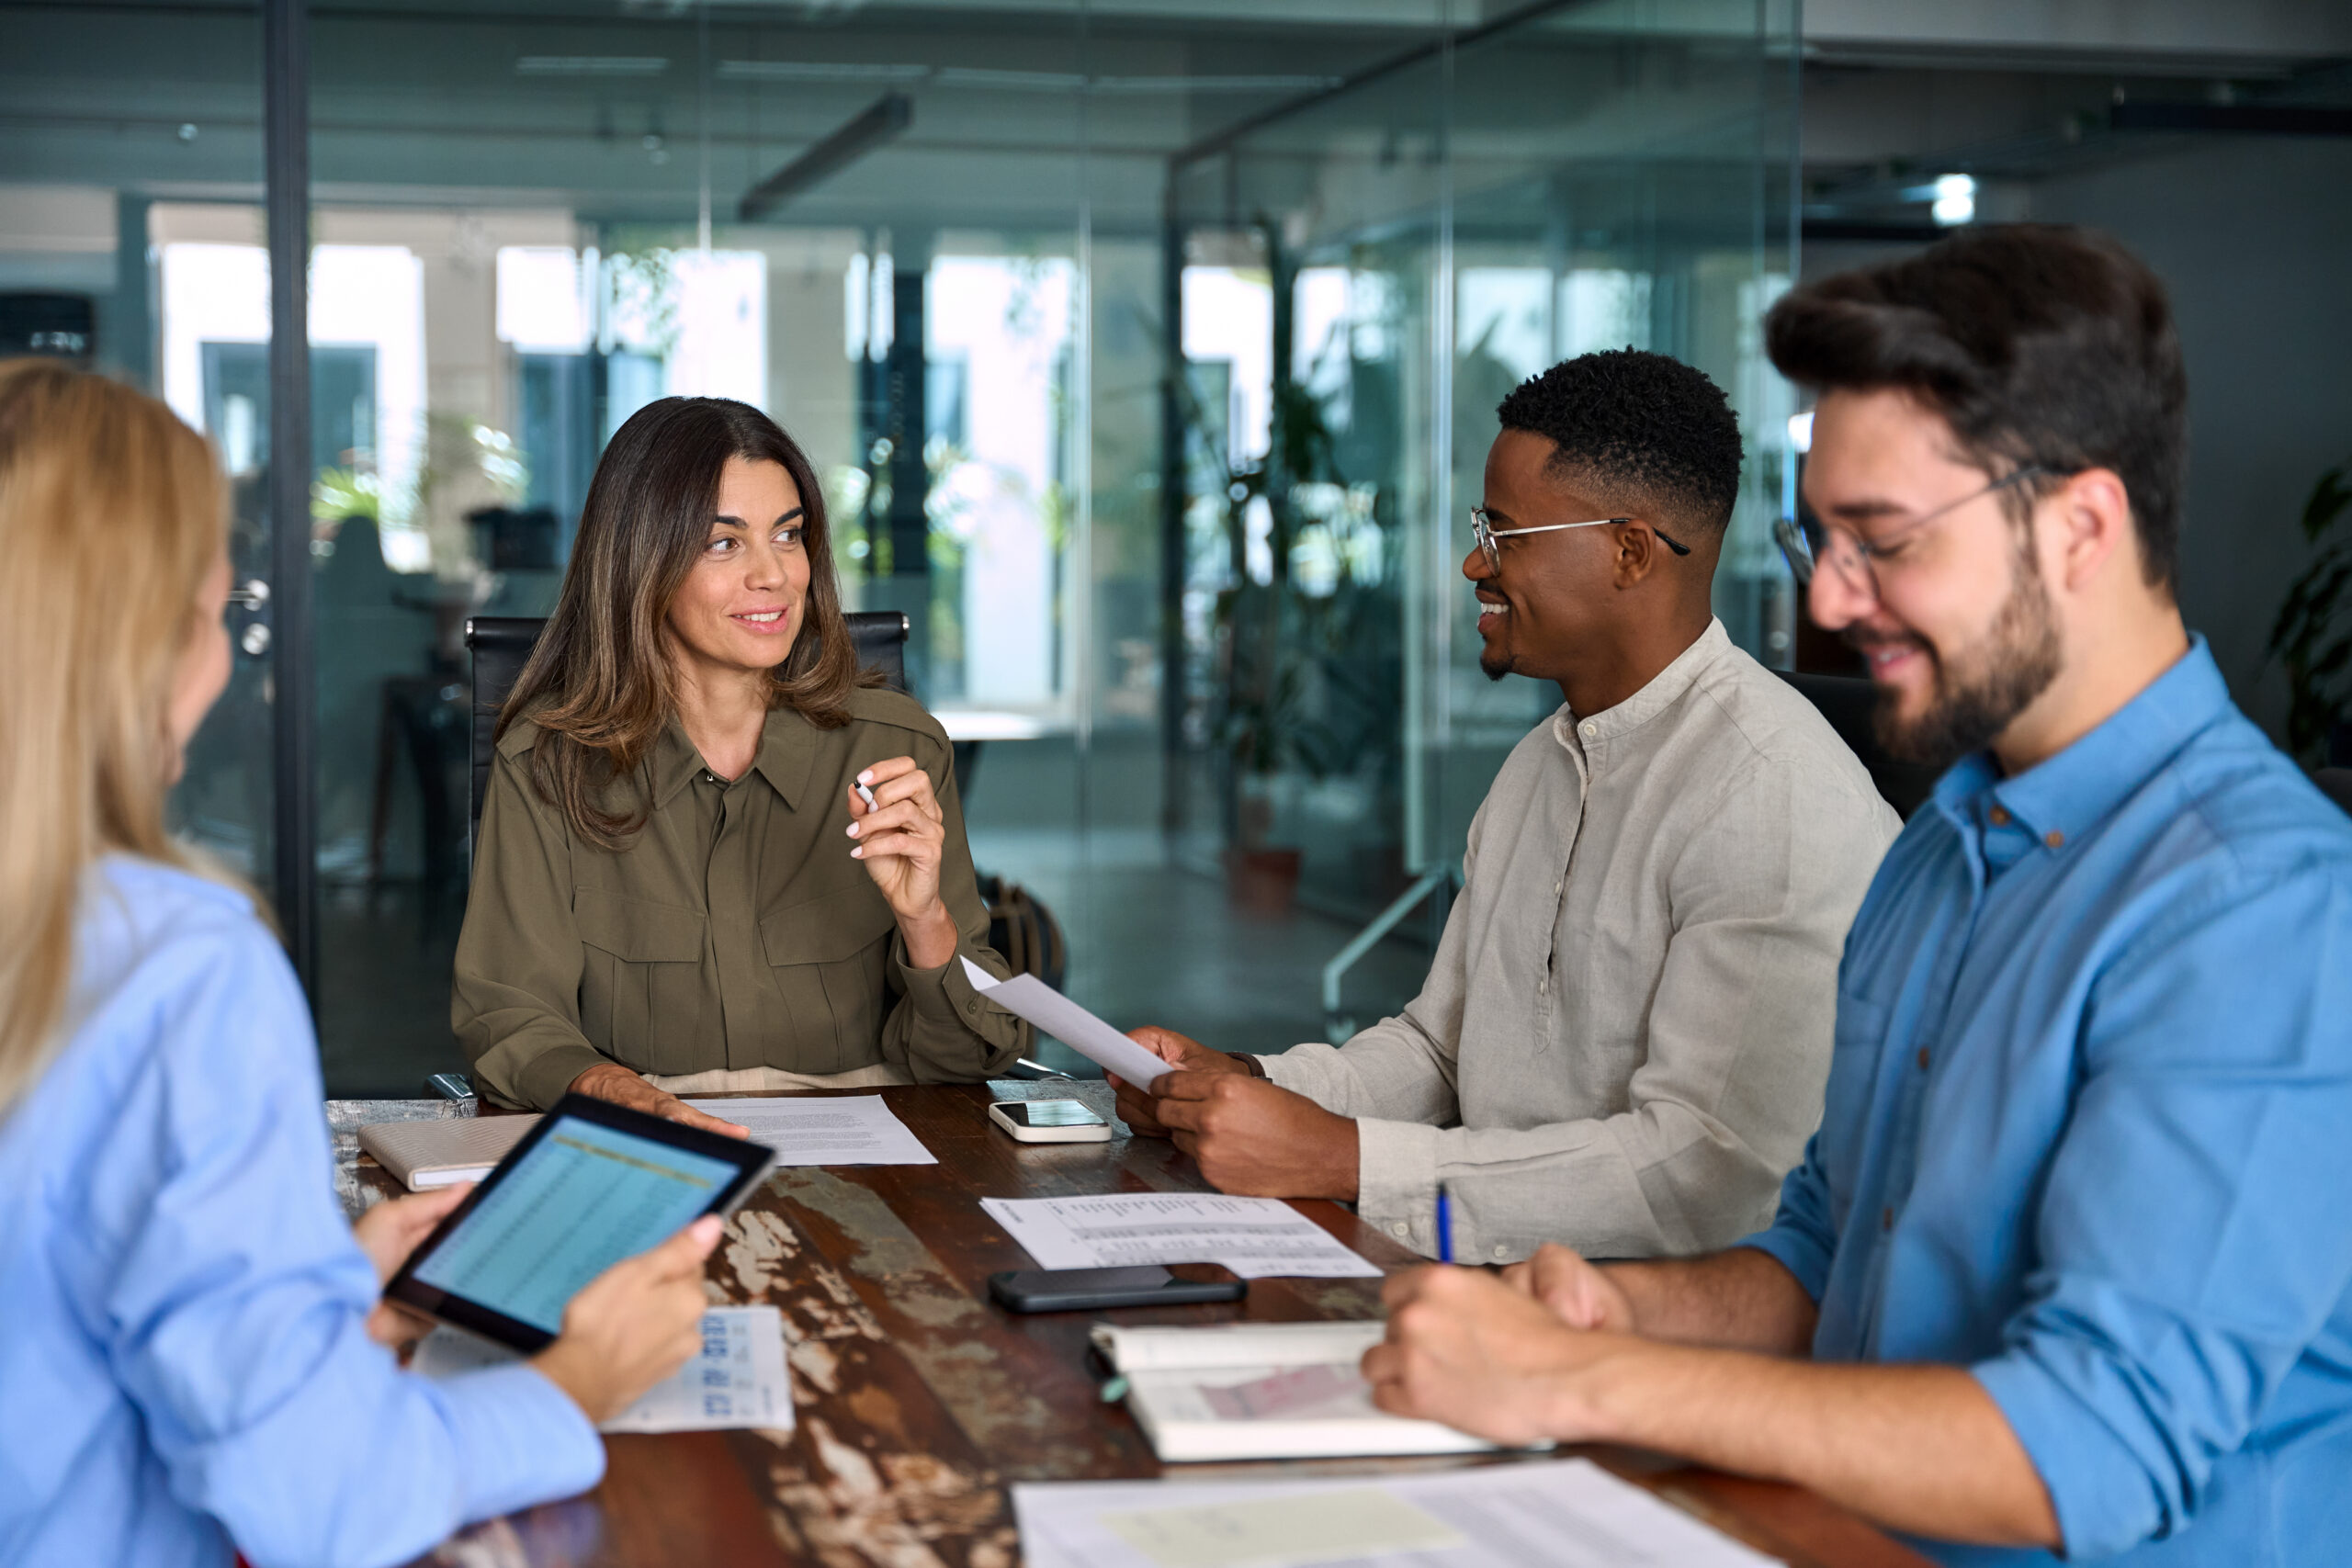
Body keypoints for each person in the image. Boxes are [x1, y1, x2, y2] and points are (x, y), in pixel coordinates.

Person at [1361, 226, 2352, 1564]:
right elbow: (1827, 1262)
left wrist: (1585, 1381)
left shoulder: (2255, 906)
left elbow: (2096, 1446)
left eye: (1881, 541)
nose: (1828, 599)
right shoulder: (1941, 846)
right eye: (1817, 537)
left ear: (2081, 525)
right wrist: (1606, 1309)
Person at [0, 360, 721, 1568]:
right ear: (147, 643)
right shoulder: (180, 967)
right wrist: (573, 1384)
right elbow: (318, 1501)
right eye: (218, 615)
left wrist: (313, 1288)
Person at [1114, 350, 1900, 1262]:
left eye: (1504, 533)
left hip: (1649, 1341)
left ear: (1628, 550)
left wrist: (1344, 1161)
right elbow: (1442, 1053)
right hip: (1487, 1282)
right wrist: (1243, 1085)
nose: (1470, 562)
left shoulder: (1773, 794)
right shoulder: (1541, 762)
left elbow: (1700, 1178)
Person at [453, 397, 1026, 1132]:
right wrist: (621, 1094)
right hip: (646, 1146)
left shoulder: (896, 750)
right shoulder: (546, 764)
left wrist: (925, 920)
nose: (775, 575)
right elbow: (508, 1016)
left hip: (873, 1159)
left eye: (788, 536)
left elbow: (975, 1059)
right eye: (724, 544)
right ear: (641, 560)